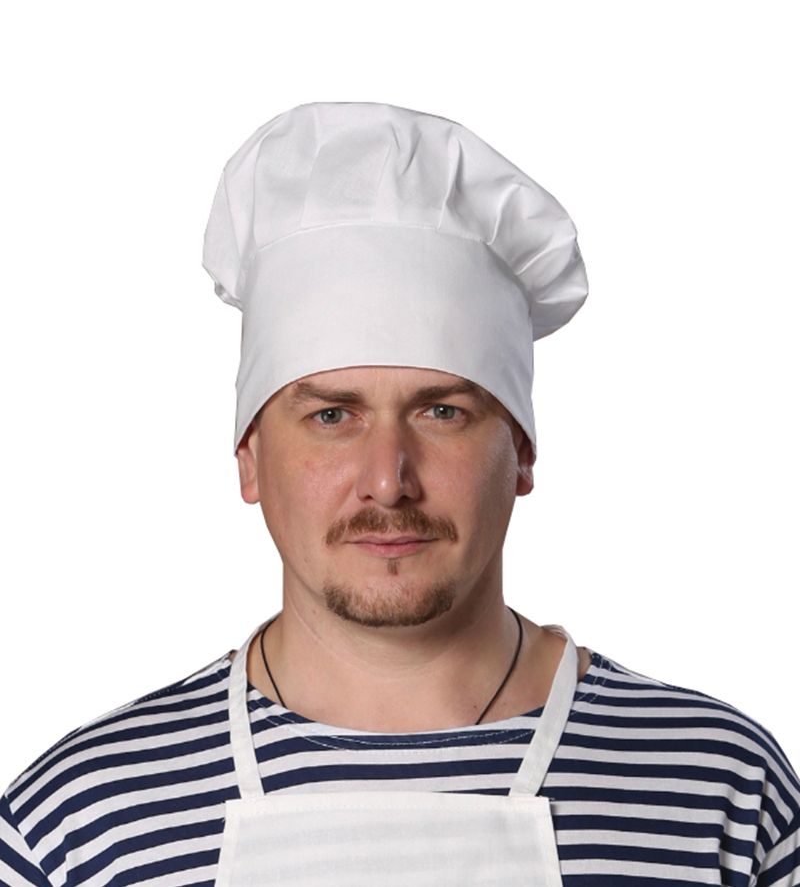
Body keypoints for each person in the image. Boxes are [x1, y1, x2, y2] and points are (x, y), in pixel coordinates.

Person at [2, 102, 798, 886]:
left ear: (521, 450)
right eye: (332, 416)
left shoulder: (721, 791)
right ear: (250, 458)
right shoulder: (80, 824)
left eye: (442, 411)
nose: (387, 479)